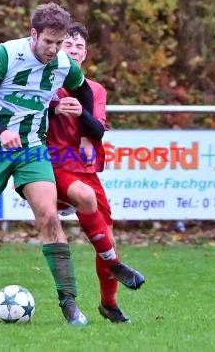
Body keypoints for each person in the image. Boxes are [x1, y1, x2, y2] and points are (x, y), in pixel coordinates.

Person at [0, 3, 96, 326]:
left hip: (31, 148)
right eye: (48, 43)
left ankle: (69, 303)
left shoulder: (64, 63)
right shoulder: (6, 56)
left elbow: (86, 93)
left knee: (49, 216)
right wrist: (2, 131)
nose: (53, 50)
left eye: (59, 43)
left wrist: (84, 124)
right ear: (33, 34)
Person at [46, 22, 145, 323]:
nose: (73, 51)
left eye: (78, 48)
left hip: (86, 169)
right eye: (67, 46)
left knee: (108, 237)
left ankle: (109, 304)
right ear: (57, 49)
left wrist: (82, 114)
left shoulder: (95, 90)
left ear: (85, 55)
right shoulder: (43, 82)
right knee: (83, 197)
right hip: (52, 165)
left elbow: (98, 128)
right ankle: (103, 272)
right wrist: (53, 108)